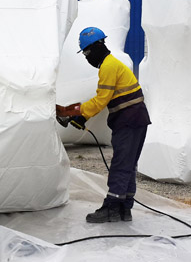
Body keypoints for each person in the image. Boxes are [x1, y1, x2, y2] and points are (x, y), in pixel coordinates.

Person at [56, 27, 150, 223]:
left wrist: (81, 115)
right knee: (128, 165)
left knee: (121, 165)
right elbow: (104, 99)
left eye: (86, 54)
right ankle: (125, 207)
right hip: (135, 119)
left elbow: (101, 100)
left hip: (129, 120)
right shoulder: (112, 64)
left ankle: (112, 208)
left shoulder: (108, 67)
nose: (87, 58)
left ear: (94, 48)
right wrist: (81, 114)